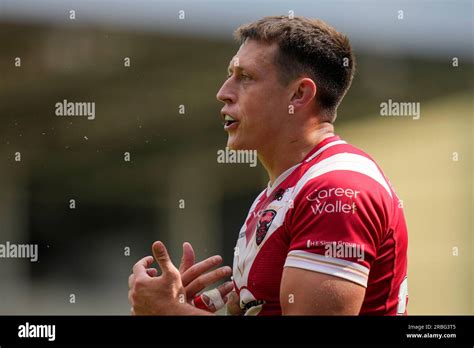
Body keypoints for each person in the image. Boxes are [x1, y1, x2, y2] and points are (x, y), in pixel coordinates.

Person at [128, 16, 408, 316]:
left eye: (245, 77)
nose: (223, 92)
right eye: (230, 74)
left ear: (299, 94)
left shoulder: (336, 189)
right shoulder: (279, 193)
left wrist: (170, 313)